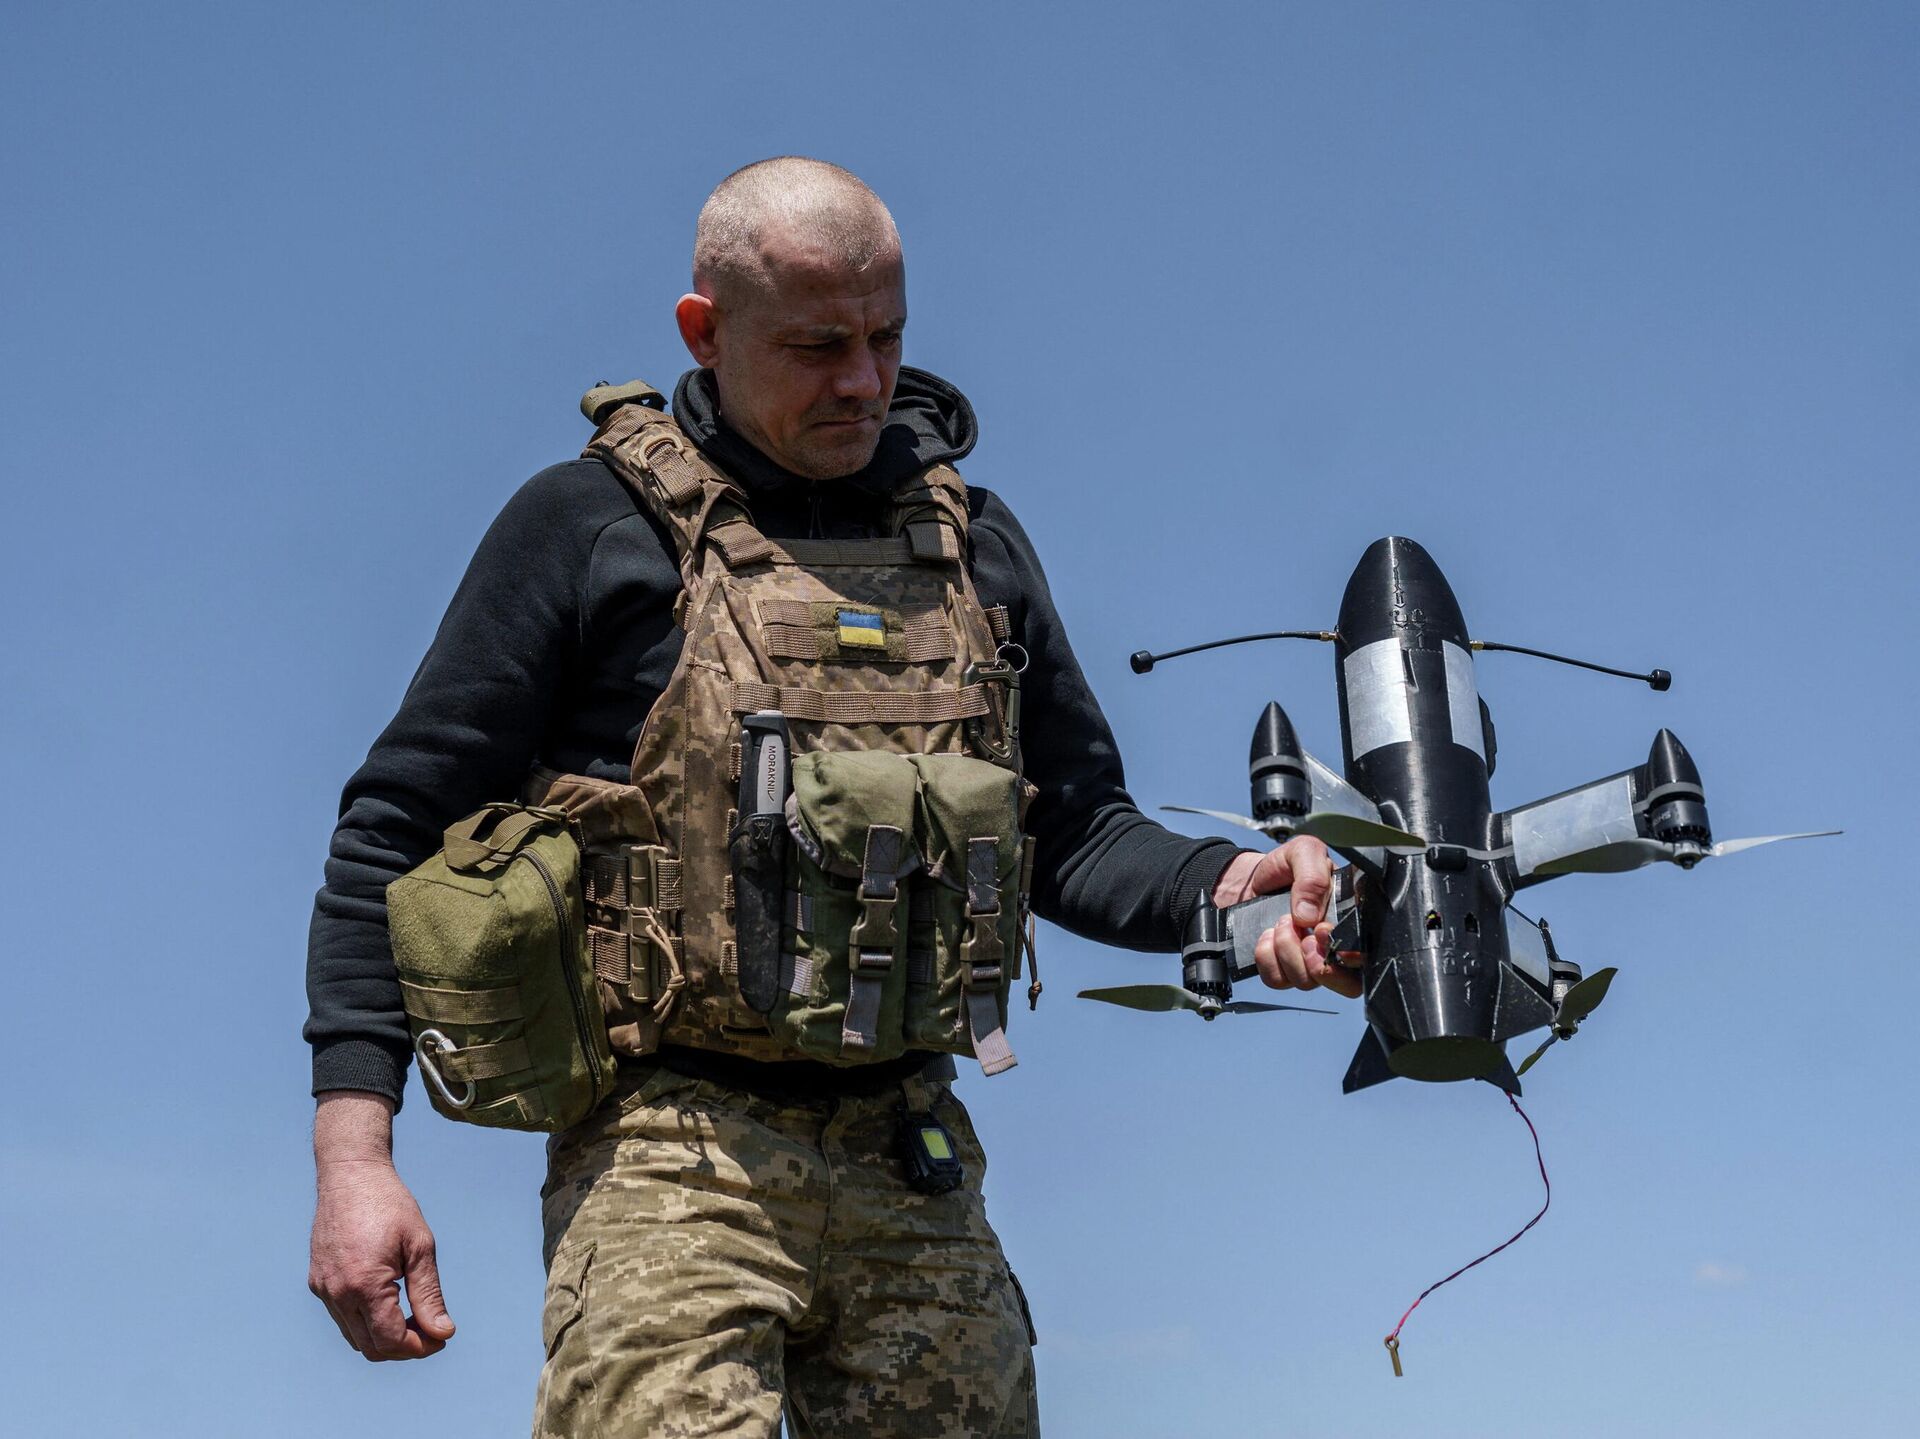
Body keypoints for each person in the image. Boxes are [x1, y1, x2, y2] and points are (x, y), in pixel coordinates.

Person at [305, 157, 1357, 1437]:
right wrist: (355, 1158)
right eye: (817, 346)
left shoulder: (974, 544)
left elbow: (1073, 826)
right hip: (670, 1149)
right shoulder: (587, 525)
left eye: (887, 337)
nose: (864, 380)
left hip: (911, 1147)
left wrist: (1230, 888)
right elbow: (393, 830)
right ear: (705, 331)